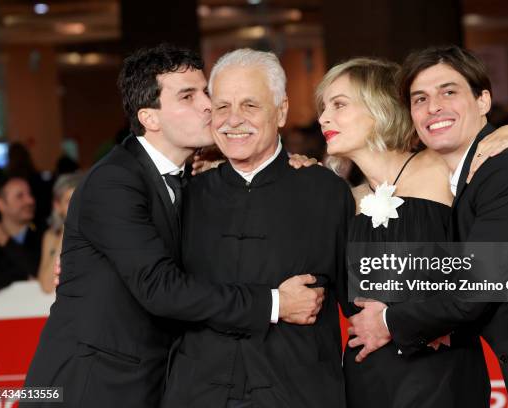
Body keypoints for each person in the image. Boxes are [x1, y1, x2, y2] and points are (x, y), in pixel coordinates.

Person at [22, 44, 323, 408]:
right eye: (188, 96)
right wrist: (274, 303)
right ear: (150, 117)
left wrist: (294, 170)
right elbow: (161, 287)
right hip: (89, 386)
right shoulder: (114, 181)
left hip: (150, 382)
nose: (208, 105)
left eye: (205, 92)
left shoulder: (188, 179)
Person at [315, 57, 508, 407]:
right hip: (368, 372)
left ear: (378, 108)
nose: (324, 118)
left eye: (338, 104)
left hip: (442, 374)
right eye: (323, 107)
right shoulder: (345, 200)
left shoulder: (440, 164)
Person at [162, 49, 354, 408]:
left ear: (281, 111)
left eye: (250, 106)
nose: (233, 120)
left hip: (298, 394)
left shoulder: (326, 192)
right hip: (199, 394)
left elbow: (362, 301)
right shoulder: (184, 197)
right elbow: (162, 293)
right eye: (222, 107)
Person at [36, 173, 83, 293]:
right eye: (69, 201)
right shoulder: (51, 237)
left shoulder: (104, 232)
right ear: (58, 206)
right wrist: (65, 235)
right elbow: (47, 286)